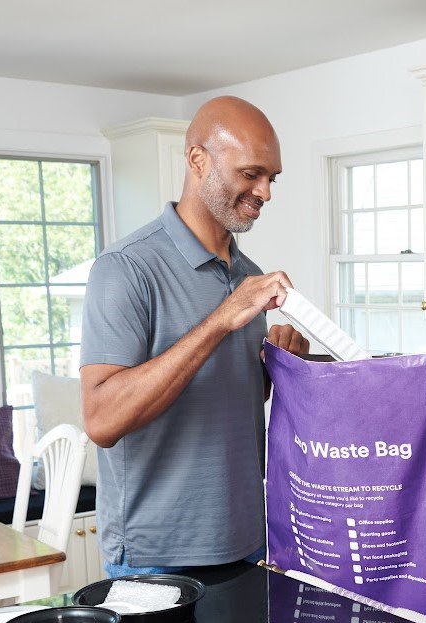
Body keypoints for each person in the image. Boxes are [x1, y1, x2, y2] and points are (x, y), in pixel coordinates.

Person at [80, 96, 308, 579]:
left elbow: (228, 396)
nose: (265, 192)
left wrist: (278, 368)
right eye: (251, 174)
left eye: (272, 178)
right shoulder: (125, 269)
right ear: (198, 160)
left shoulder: (248, 275)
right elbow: (101, 419)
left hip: (250, 541)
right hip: (155, 555)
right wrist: (222, 319)